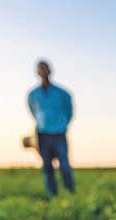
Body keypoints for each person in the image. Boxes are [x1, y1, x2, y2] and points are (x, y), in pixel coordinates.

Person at [27, 60, 75, 197]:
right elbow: (33, 111)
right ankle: (52, 196)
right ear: (37, 72)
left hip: (59, 133)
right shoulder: (33, 94)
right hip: (42, 134)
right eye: (40, 69)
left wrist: (62, 124)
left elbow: (69, 112)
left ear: (50, 71)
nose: (43, 71)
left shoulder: (63, 93)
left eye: (45, 68)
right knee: (47, 166)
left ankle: (70, 193)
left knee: (64, 165)